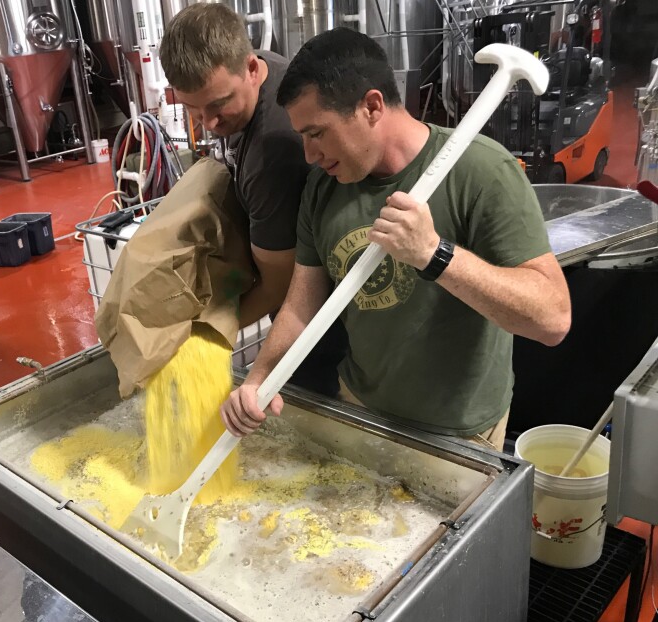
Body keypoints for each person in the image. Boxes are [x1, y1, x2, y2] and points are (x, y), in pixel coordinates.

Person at [220, 28, 572, 450]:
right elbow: (301, 303)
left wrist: (434, 255)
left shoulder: (483, 173)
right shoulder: (323, 186)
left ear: (371, 106)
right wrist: (258, 379)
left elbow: (552, 319)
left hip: (459, 435)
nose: (309, 155)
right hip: (359, 407)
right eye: (302, 137)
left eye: (316, 133)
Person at [159, 3, 346, 397]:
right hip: (296, 268)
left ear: (249, 68)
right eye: (192, 108)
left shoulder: (273, 152)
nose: (208, 123)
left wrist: (201, 339)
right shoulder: (267, 66)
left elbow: (281, 286)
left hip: (322, 314)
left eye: (218, 104)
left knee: (313, 402)